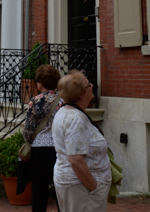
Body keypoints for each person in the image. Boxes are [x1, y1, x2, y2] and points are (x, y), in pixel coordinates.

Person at [52, 70, 111, 212]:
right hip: (81, 188)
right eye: (88, 85)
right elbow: (75, 160)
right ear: (79, 93)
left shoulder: (66, 111)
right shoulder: (75, 119)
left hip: (76, 185)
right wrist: (94, 188)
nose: (92, 86)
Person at [22, 64, 62, 212]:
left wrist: (27, 139)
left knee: (39, 189)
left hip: (39, 149)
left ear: (40, 82)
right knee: (60, 188)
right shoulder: (62, 100)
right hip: (58, 147)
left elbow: (29, 128)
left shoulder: (36, 100)